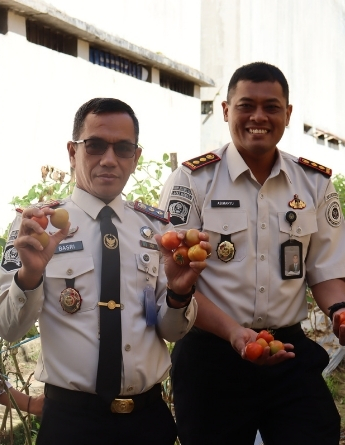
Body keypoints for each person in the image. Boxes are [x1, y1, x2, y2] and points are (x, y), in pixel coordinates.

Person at [0, 98, 208, 445]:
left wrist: (180, 293)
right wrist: (29, 277)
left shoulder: (157, 231)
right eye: (95, 145)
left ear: (135, 157)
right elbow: (8, 327)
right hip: (71, 424)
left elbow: (171, 331)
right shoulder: (36, 229)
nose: (109, 159)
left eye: (123, 148)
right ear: (72, 151)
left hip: (148, 423)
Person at [158, 62, 345, 445]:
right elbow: (176, 281)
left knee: (318, 432)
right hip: (212, 357)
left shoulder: (314, 183)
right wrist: (234, 334)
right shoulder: (192, 180)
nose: (258, 116)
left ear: (287, 114)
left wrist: (339, 310)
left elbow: (325, 271)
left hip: (287, 351)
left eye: (271, 106)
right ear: (226, 110)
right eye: (246, 105)